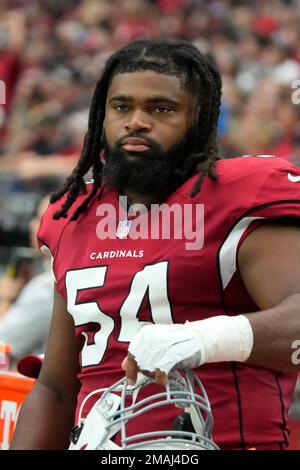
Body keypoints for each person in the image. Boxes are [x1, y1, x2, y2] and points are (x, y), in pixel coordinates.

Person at [10, 38, 300, 451]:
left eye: (160, 109)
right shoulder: (73, 215)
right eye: (121, 107)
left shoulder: (240, 197)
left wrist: (206, 339)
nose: (136, 122)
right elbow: (56, 388)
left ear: (199, 119)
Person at [0, 196, 53, 365]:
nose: (31, 225)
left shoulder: (45, 288)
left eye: (38, 218)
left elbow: (2, 347)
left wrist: (5, 298)